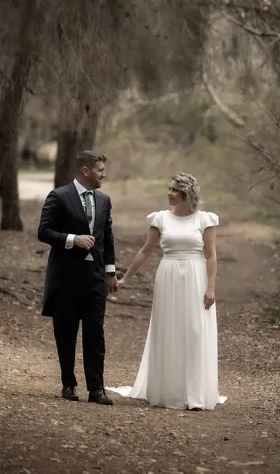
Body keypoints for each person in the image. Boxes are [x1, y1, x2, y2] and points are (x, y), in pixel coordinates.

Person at [108, 173, 226, 411]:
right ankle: (168, 390)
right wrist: (125, 278)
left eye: (174, 190)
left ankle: (195, 392)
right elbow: (145, 251)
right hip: (169, 276)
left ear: (186, 193)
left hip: (195, 276)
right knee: (169, 329)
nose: (169, 194)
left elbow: (211, 255)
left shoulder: (204, 219)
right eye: (169, 189)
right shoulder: (160, 219)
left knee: (194, 330)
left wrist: (211, 287)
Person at [37, 150, 117, 405]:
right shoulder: (59, 196)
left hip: (95, 278)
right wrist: (73, 239)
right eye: (100, 170)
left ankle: (97, 388)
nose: (104, 174)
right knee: (66, 331)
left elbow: (108, 238)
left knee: (95, 332)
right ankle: (68, 384)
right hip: (66, 277)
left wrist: (110, 273)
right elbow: (44, 231)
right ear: (86, 171)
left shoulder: (104, 200)